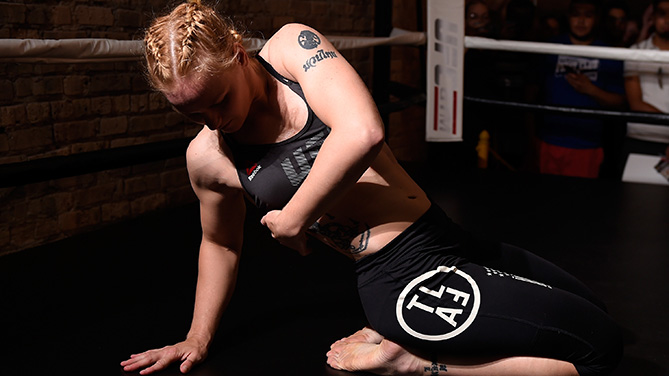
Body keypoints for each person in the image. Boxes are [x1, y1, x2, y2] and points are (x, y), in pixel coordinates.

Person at [121, 1, 623, 375]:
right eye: (191, 113)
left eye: (219, 100)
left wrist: (294, 215)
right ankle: (409, 362)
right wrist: (197, 337)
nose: (214, 121)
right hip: (399, 275)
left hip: (445, 237)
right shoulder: (208, 157)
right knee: (601, 350)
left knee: (598, 314)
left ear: (236, 53)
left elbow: (362, 131)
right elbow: (220, 242)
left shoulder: (292, 48)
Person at [537, 0, 626, 178]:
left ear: (596, 19)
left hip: (586, 143)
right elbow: (532, 91)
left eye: (588, 15)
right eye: (576, 14)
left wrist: (591, 90)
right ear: (568, 17)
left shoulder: (609, 54)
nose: (581, 21)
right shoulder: (550, 47)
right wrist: (531, 136)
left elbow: (620, 102)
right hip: (549, 139)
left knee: (579, 202)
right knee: (545, 200)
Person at [623, 0, 669, 160]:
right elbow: (635, 103)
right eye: (662, 13)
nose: (667, 19)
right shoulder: (635, 52)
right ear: (653, 17)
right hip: (641, 136)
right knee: (634, 185)